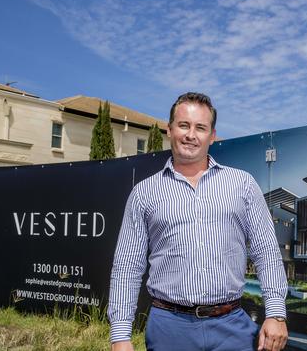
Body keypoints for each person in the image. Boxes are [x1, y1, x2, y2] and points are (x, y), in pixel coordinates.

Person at [108, 92, 288, 351]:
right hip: (169, 328)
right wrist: (120, 335)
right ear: (169, 130)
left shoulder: (243, 185)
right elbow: (127, 267)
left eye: (200, 128)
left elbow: (267, 252)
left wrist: (276, 313)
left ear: (212, 136)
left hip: (232, 327)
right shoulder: (144, 193)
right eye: (184, 125)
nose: (191, 135)